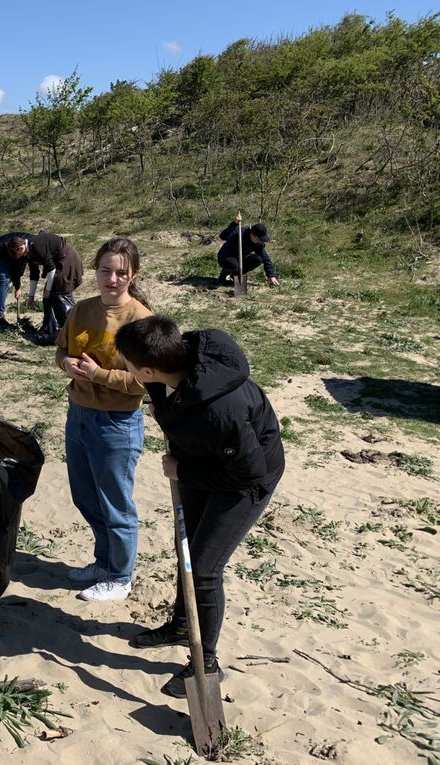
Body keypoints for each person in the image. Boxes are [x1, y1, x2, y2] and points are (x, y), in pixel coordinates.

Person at [115, 315, 285, 698]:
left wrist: (184, 469)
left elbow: (248, 474)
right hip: (203, 461)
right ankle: (181, 625)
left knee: (205, 567)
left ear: (147, 369)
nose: (123, 368)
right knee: (187, 548)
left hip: (245, 478)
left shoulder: (219, 408)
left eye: (126, 363)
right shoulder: (173, 367)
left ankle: (205, 661)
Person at [56, 237, 153, 602]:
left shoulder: (141, 321)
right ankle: (103, 561)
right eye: (105, 271)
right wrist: (67, 363)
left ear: (133, 275)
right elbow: (62, 351)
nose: (112, 279)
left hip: (117, 423)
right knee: (86, 497)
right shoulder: (80, 310)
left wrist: (97, 375)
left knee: (116, 503)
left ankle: (120, 575)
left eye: (121, 273)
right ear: (95, 271)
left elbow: (143, 383)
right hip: (79, 414)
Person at [5, 231, 84, 345]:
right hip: (59, 262)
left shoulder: (36, 246)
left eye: (18, 255)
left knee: (59, 294)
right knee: (48, 299)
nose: (20, 258)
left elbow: (51, 269)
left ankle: (74, 331)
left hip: (67, 259)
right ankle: (51, 331)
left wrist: (47, 290)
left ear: (20, 248)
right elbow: (34, 275)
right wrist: (31, 296)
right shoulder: (29, 252)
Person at [217, 212, 280, 287]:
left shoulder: (257, 243)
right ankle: (224, 274)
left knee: (257, 259)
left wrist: (271, 275)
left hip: (240, 259)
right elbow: (223, 236)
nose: (260, 240)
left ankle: (235, 276)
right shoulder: (240, 232)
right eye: (258, 238)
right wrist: (234, 224)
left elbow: (265, 258)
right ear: (253, 235)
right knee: (234, 265)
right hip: (226, 257)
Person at [0, 231, 32, 327]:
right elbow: (16, 268)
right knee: (4, 279)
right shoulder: (19, 248)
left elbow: (20, 266)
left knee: (7, 278)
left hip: (3, 253)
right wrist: (18, 287)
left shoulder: (29, 246)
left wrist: (18, 286)